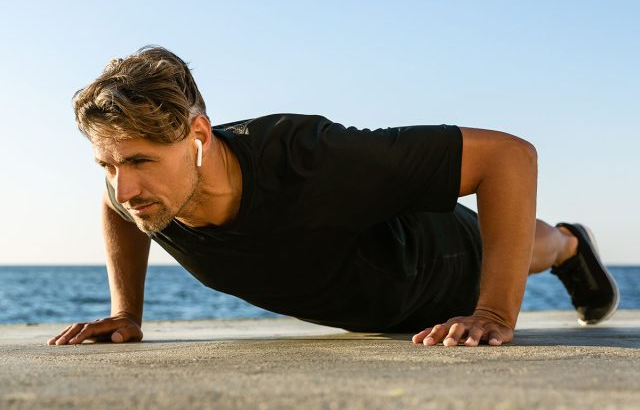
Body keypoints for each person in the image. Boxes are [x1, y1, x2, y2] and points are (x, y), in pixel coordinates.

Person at [48, 46, 619, 347]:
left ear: (198, 136)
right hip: (370, 307)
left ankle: (569, 245)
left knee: (530, 251)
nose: (124, 187)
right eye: (108, 164)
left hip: (431, 263)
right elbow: (112, 202)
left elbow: (509, 156)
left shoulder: (306, 154)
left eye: (141, 161)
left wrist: (494, 312)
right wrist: (127, 313)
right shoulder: (140, 190)